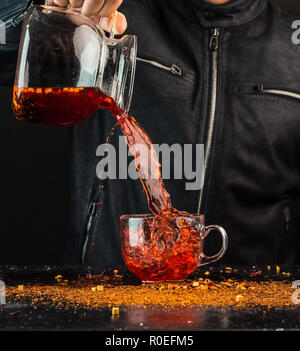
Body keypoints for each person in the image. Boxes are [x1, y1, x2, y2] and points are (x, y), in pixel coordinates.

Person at [2, 0, 300, 266]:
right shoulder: (109, 15)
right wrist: (37, 4)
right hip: (100, 309)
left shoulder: (293, 47)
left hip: (251, 317)